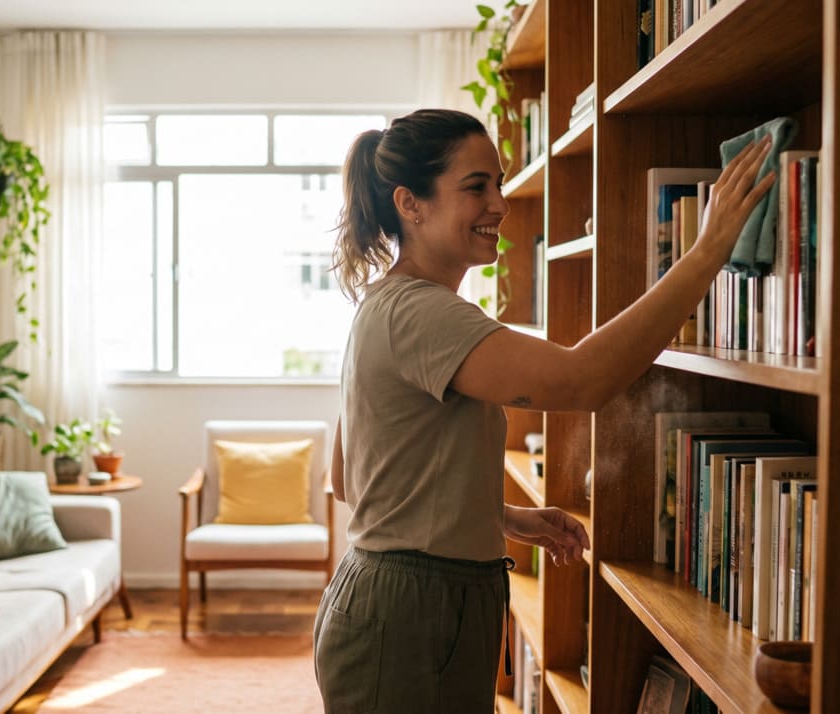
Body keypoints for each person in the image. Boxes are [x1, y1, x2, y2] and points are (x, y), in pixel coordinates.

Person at [313, 109, 775, 713]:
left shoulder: (389, 305)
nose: (500, 204)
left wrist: (498, 516)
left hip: (411, 602)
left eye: (499, 183)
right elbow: (584, 381)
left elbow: (351, 477)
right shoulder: (422, 314)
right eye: (476, 186)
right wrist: (708, 248)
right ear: (411, 204)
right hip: (411, 615)